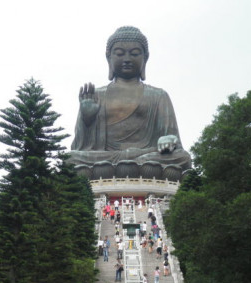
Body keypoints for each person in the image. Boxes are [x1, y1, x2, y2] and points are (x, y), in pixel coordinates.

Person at [67, 26, 192, 179]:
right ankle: (132, 166)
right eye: (119, 53)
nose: (127, 59)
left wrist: (168, 140)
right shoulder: (96, 95)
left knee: (182, 158)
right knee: (69, 159)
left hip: (146, 156)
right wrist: (87, 120)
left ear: (145, 58)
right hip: (106, 158)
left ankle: (133, 166)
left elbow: (173, 141)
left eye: (134, 54)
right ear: (109, 57)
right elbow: (79, 147)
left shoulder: (159, 95)